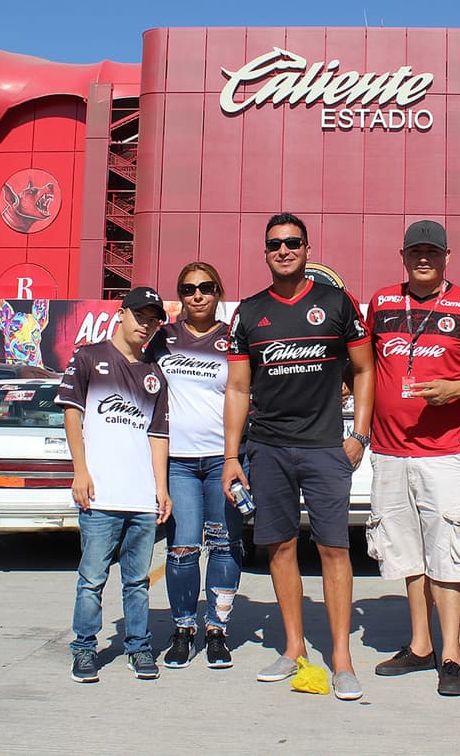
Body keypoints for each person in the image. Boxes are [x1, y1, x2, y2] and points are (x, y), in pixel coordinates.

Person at [221, 212, 374, 701]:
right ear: (265, 252)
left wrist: (360, 434)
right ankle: (293, 649)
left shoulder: (336, 303)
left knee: (334, 549)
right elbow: (239, 388)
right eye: (274, 244)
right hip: (267, 448)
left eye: (292, 242)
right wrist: (231, 456)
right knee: (281, 547)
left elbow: (365, 369)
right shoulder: (248, 312)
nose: (283, 250)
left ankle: (342, 661)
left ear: (307, 248)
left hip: (327, 447)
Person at [365, 220, 460, 697]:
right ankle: (419, 645)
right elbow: (364, 366)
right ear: (403, 256)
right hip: (389, 450)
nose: (424, 259)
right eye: (416, 252)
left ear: (447, 257)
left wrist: (456, 389)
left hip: (447, 452)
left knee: (450, 553)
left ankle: (450, 654)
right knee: (406, 552)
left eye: (433, 252)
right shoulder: (381, 302)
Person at [57, 286, 173, 684]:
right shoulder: (89, 357)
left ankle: (138, 648)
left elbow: (158, 435)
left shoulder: (155, 375)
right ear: (121, 314)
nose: (146, 325)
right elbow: (72, 416)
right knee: (92, 580)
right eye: (140, 315)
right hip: (100, 494)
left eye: (154, 319)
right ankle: (85, 649)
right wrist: (80, 471)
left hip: (141, 498)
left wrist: (161, 489)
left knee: (137, 582)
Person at [146, 261, 243, 670]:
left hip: (224, 460)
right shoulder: (163, 338)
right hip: (179, 463)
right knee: (183, 548)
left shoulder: (234, 339)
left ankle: (217, 630)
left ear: (219, 292)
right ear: (180, 295)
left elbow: (246, 390)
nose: (197, 295)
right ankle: (183, 628)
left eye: (206, 288)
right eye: (188, 289)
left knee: (223, 546)